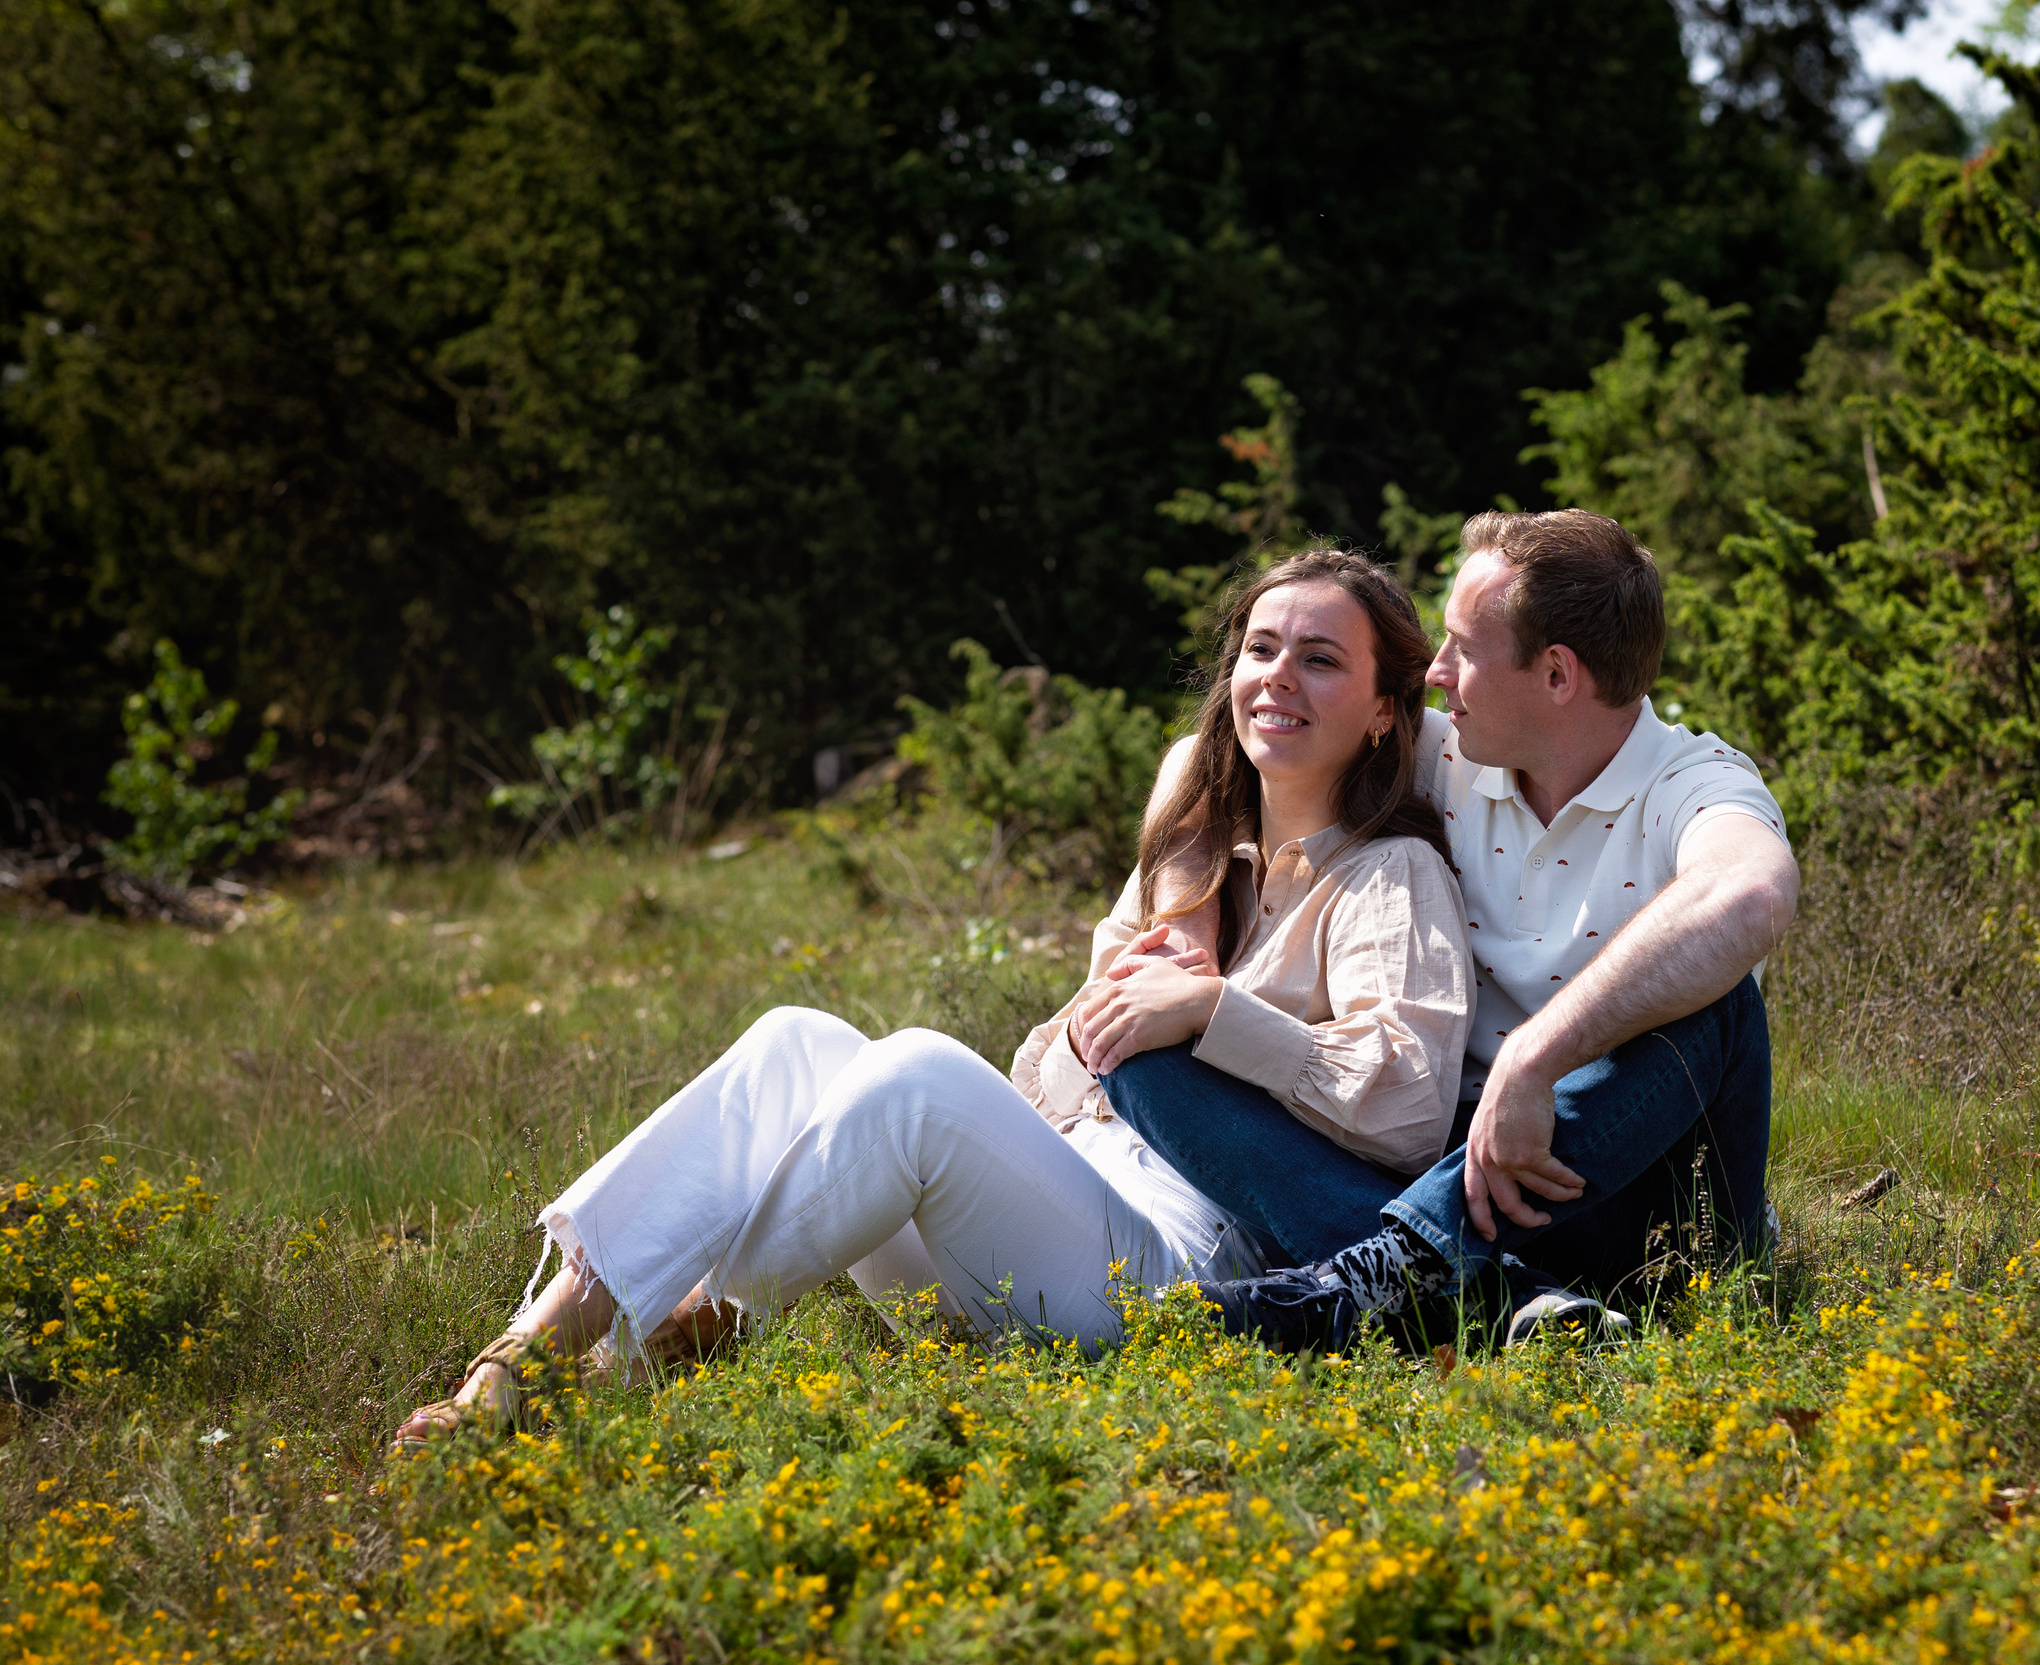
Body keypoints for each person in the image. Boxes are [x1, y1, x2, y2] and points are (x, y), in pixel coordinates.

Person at [396, 550, 1473, 1445]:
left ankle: (671, 1330)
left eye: (1321, 660)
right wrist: (1154, 954)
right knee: (796, 1039)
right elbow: (1044, 1077)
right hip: (1023, 1256)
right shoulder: (1191, 868)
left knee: (914, 1072)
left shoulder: (1390, 877)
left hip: (1174, 1280)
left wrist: (1211, 1015)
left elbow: (1408, 1107)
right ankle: (516, 1359)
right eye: (1261, 649)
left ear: (1387, 714)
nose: (1278, 675)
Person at [1093, 509, 1799, 1350]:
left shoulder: (1695, 782)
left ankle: (1374, 1279)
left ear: (1558, 674)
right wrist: (1188, 935)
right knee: (1145, 1046)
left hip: (1643, 1202)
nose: (1435, 672)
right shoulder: (1458, 749)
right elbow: (1212, 753)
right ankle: (1501, 1302)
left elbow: (1749, 895)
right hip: (1462, 1180)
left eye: (1464, 647)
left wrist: (1538, 1059)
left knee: (1715, 1007)